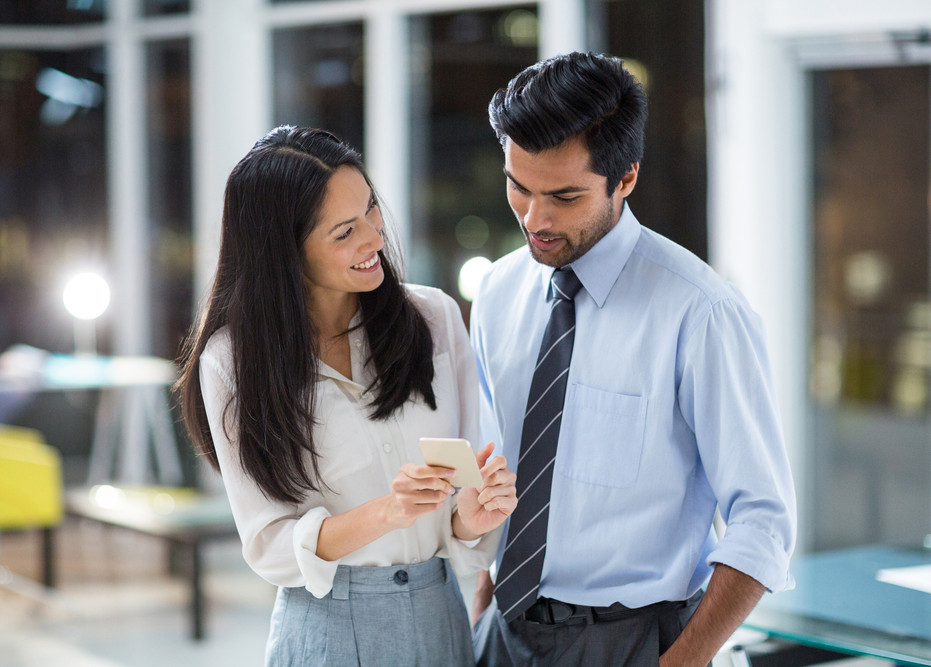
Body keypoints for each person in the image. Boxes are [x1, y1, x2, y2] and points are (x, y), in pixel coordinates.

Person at [469, 53, 797, 667]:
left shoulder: (700, 314)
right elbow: (502, 466)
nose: (534, 219)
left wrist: (681, 661)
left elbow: (764, 521)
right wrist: (483, 598)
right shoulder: (497, 291)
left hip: (636, 642)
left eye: (564, 196)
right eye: (519, 186)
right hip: (502, 635)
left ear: (625, 179)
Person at [177, 126, 517, 667]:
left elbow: (462, 500)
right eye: (344, 232)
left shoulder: (434, 319)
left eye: (372, 211)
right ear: (284, 251)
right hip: (324, 629)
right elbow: (269, 546)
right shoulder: (232, 360)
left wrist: (473, 518)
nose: (374, 239)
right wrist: (388, 512)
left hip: (438, 612)